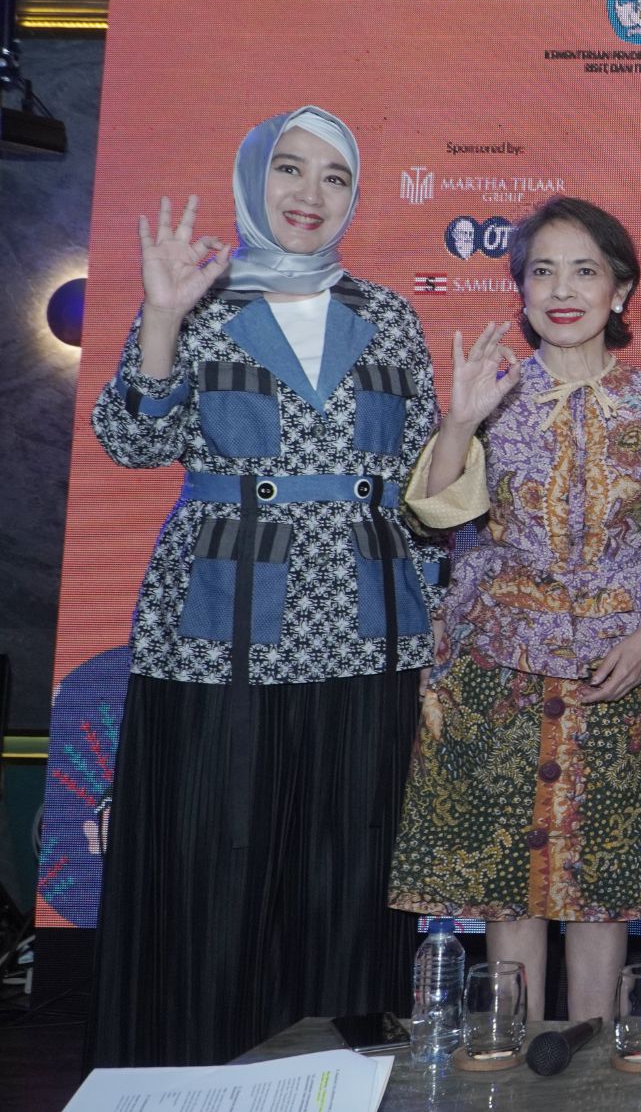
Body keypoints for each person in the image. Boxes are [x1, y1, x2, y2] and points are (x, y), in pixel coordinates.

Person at [88, 106, 445, 1065]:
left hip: (369, 623)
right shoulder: (196, 298)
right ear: (254, 179)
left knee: (354, 862)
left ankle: (348, 1070)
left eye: (335, 176)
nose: (309, 194)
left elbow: (425, 489)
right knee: (216, 855)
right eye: (290, 169)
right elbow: (133, 441)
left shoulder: (388, 316)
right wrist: (162, 316)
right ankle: (195, 1067)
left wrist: (442, 620)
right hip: (223, 617)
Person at [388, 196, 641, 1023]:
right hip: (498, 674)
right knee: (510, 885)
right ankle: (513, 1052)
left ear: (620, 290)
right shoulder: (489, 398)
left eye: (584, 270)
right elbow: (434, 515)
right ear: (522, 290)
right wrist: (460, 422)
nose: (562, 289)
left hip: (621, 678)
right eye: (542, 271)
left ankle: (594, 1057)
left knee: (603, 889)